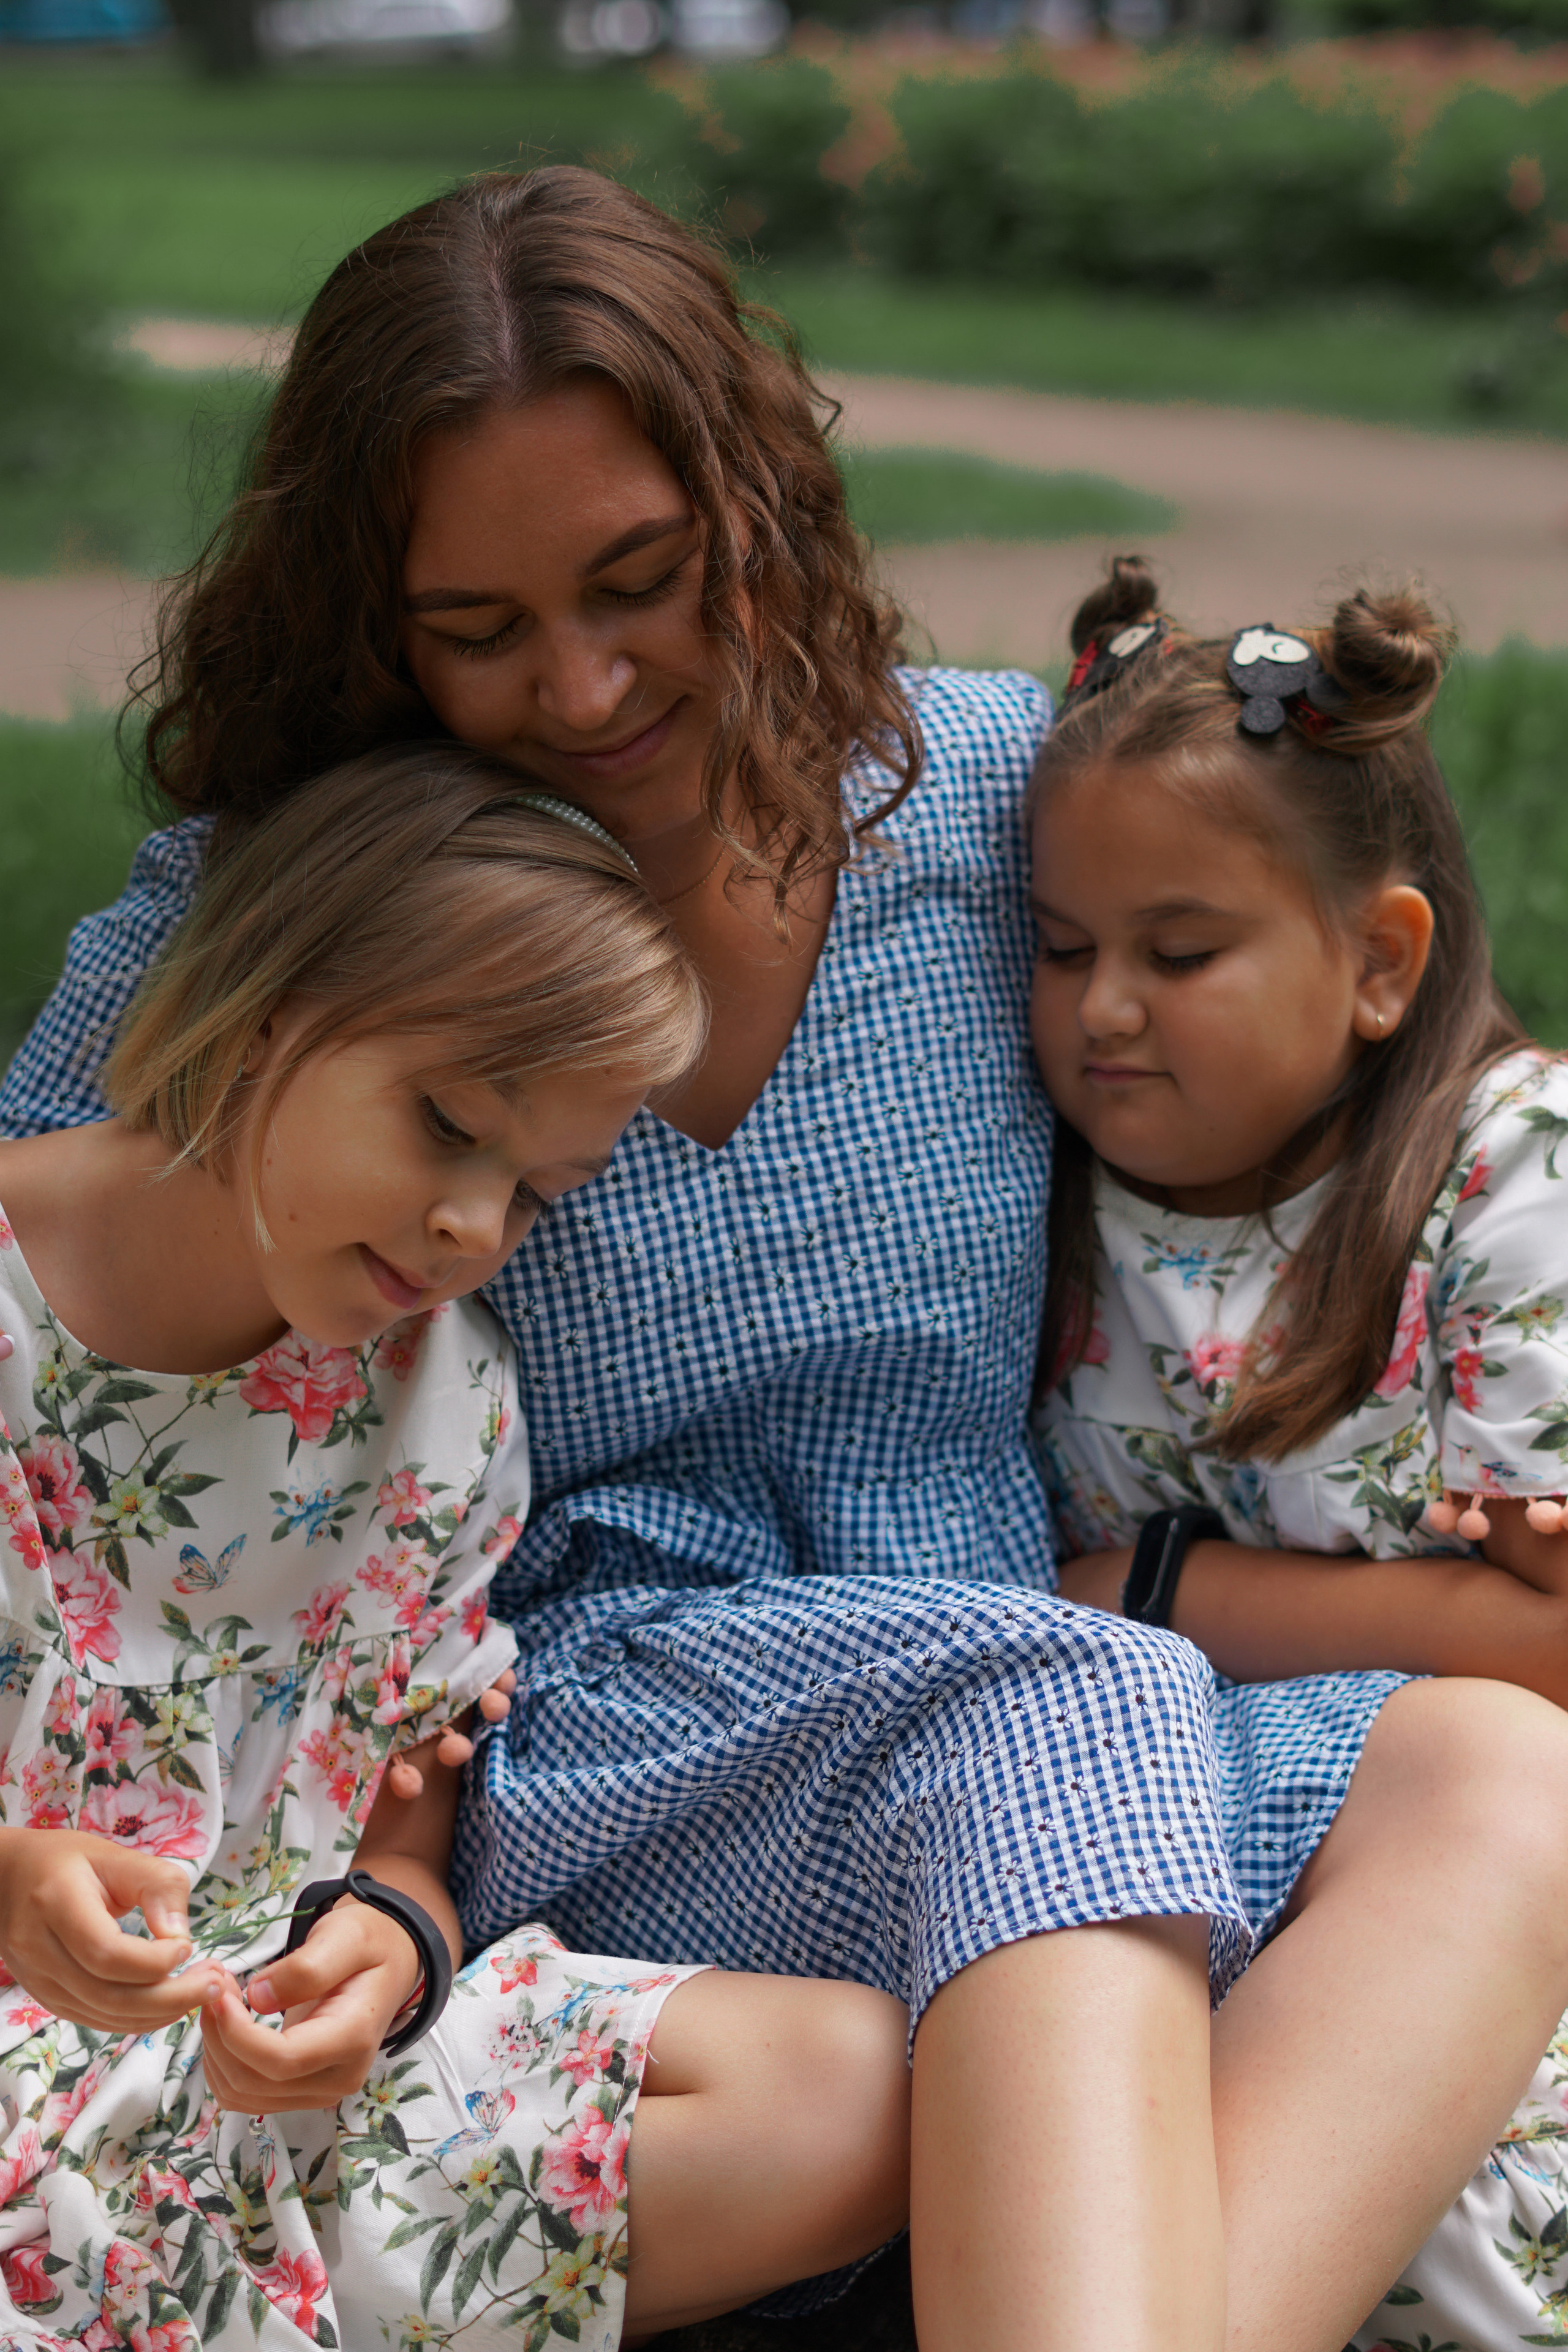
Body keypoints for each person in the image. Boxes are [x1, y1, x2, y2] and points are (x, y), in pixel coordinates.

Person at [6, 167, 1568, 2352]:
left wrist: (1495, 1417)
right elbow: (47, 1303)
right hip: (569, 1744)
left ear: (759, 504)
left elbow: (1364, 1042)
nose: (581, 681)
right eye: (479, 629)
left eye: (643, 581)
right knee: (1070, 1707)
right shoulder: (290, 924)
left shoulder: (1004, 804)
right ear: (369, 621)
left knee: (1502, 1770)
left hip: (993, 1657)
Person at [0, 744, 913, 2351]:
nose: (475, 1230)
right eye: (445, 1126)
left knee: (848, 2084)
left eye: (538, 1194)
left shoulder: (453, 1399)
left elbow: (403, 1795)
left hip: (263, 2069)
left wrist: (393, 1941)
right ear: (277, 1005)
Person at [1028, 558, 1568, 2351]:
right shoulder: (1042, 1196)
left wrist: (1161, 1591)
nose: (1103, 1008)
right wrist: (1425, 1606)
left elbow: (1554, 1655)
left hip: (1484, 1876)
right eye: (1062, 946)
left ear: (1379, 962)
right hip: (1193, 1869)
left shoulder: (1506, 1173)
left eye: (1180, 954)